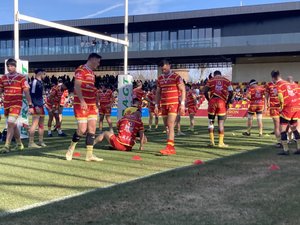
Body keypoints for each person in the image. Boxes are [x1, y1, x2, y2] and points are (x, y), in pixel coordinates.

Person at [65, 53, 103, 162]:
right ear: (92, 59)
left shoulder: (92, 73)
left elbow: (92, 89)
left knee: (92, 128)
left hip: (91, 105)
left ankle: (89, 155)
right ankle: (71, 148)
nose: (98, 64)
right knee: (82, 129)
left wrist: (96, 104)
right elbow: (77, 86)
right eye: (98, 61)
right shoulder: (81, 70)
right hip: (81, 104)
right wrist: (82, 100)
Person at [0, 58, 34, 153]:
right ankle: (19, 144)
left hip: (16, 104)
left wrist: (30, 105)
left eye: (11, 66)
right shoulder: (3, 78)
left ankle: (7, 146)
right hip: (6, 104)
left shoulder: (21, 77)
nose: (9, 67)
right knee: (13, 125)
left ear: (15, 66)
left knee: (10, 123)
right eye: (8, 66)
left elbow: (26, 92)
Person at [155, 59, 186, 155]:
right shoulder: (160, 79)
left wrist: (182, 104)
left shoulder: (176, 77)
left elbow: (183, 90)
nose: (164, 71)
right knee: (166, 126)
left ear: (169, 66)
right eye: (162, 70)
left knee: (170, 124)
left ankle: (169, 147)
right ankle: (170, 147)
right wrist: (156, 105)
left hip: (173, 103)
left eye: (165, 69)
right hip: (163, 104)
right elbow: (158, 93)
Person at [271, 70, 300, 155]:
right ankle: (299, 148)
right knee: (294, 128)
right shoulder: (290, 83)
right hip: (296, 107)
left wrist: (281, 106)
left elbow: (280, 96)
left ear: (273, 78)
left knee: (283, 130)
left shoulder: (277, 85)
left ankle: (286, 150)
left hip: (287, 108)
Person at [203, 70, 233, 147]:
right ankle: (220, 143)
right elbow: (231, 92)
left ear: (214, 75)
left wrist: (209, 100)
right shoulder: (227, 81)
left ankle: (212, 142)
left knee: (211, 122)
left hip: (212, 101)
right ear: (220, 74)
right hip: (221, 102)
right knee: (221, 123)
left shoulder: (210, 80)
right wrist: (228, 102)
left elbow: (205, 91)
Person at [28, 69, 47, 148]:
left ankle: (40, 141)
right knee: (34, 124)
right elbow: (32, 94)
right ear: (39, 73)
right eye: (43, 73)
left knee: (41, 125)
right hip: (37, 106)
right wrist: (34, 106)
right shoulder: (35, 82)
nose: (44, 74)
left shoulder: (40, 82)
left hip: (40, 105)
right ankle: (31, 142)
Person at [265, 78, 281, 147]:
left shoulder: (282, 84)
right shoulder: (269, 85)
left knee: (284, 124)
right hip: (273, 108)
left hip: (282, 107)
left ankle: (286, 139)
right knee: (277, 125)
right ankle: (279, 141)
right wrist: (265, 106)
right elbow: (266, 96)